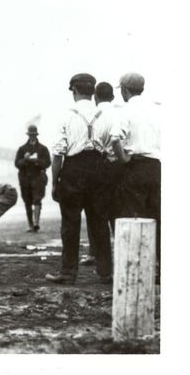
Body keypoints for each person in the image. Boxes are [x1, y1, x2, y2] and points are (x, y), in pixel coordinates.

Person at [46, 73, 112, 285]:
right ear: (92, 91)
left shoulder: (66, 115)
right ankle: (105, 272)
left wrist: (55, 182)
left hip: (73, 170)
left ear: (74, 90)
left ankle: (68, 273)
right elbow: (111, 150)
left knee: (70, 223)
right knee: (99, 222)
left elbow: (58, 154)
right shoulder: (105, 114)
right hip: (99, 169)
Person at [110, 72, 161, 283]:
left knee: (134, 217)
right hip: (157, 167)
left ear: (124, 89)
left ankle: (139, 270)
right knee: (159, 217)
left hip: (136, 166)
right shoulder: (157, 109)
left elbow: (115, 138)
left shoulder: (126, 109)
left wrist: (123, 159)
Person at [80, 82, 123, 266]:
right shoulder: (122, 112)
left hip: (99, 165)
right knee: (119, 211)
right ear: (113, 97)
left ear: (96, 98)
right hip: (121, 166)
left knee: (95, 212)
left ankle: (94, 253)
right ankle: (122, 254)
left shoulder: (93, 115)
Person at [14, 125, 51, 232]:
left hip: (38, 178)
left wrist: (37, 161)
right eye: (30, 135)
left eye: (34, 135)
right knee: (27, 201)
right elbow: (17, 163)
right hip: (25, 179)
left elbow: (48, 163)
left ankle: (36, 223)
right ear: (28, 135)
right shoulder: (22, 149)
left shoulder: (43, 149)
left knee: (37, 199)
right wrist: (25, 160)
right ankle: (30, 224)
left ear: (36, 135)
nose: (32, 137)